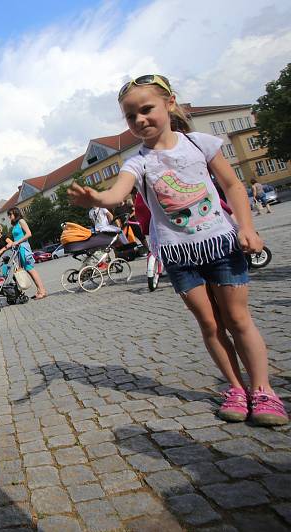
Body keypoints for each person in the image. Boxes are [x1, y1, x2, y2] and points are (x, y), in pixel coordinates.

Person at [68, 74, 287, 426]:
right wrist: (96, 198)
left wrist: (247, 227)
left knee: (238, 319)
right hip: (179, 255)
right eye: (130, 116)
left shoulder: (201, 144)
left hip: (220, 244)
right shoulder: (136, 162)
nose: (139, 120)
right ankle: (235, 388)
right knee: (210, 325)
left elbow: (232, 185)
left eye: (146, 109)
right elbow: (116, 193)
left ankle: (263, 391)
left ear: (169, 103)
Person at [6, 207, 48, 299]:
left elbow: (29, 233)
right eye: (8, 215)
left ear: (16, 213)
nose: (9, 216)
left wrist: (17, 242)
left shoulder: (21, 221)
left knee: (31, 269)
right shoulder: (15, 224)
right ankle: (39, 290)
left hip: (24, 248)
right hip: (19, 249)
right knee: (29, 270)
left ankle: (42, 291)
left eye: (10, 214)